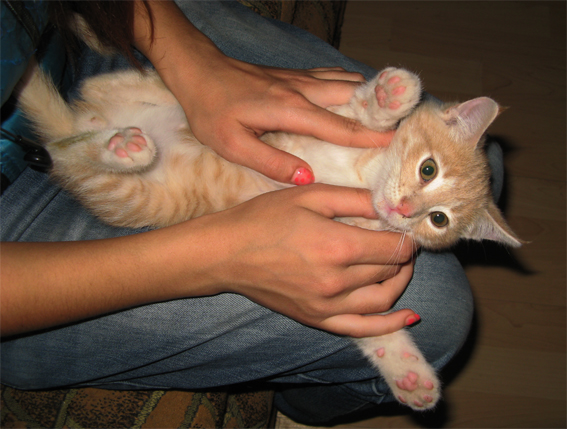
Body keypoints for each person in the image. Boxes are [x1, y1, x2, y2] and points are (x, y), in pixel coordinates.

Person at [0, 1, 478, 424]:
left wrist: (194, 61)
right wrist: (221, 255)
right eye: (426, 174)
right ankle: (81, 143)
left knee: (483, 159)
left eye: (435, 219)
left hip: (74, 39)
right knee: (439, 309)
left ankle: (82, 133)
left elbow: (359, 293)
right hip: (36, 218)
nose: (408, 207)